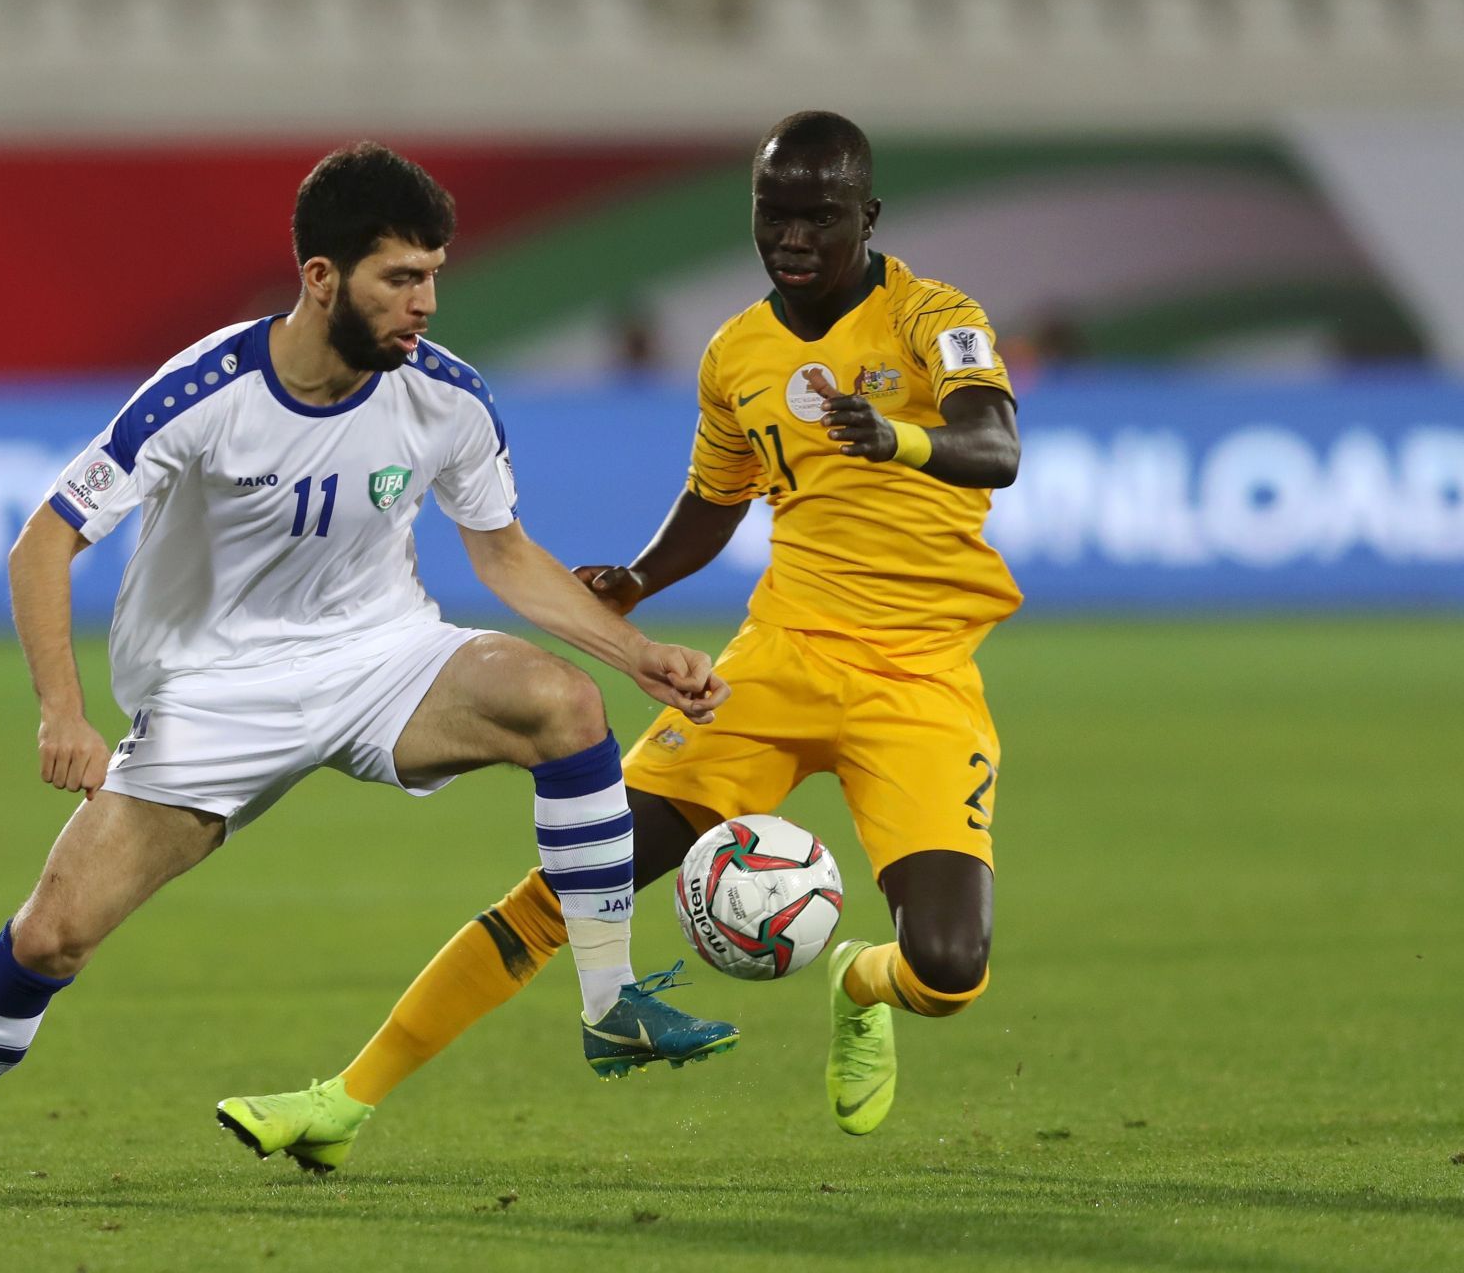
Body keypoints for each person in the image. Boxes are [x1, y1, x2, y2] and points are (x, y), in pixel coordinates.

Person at [0, 142, 739, 1199]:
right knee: (56, 932)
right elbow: (45, 540)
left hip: (379, 657)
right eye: (401, 277)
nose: (426, 301)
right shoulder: (205, 391)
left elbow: (501, 552)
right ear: (321, 278)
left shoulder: (446, 398)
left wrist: (636, 656)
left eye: (434, 273)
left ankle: (609, 999)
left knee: (562, 704)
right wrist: (61, 713)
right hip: (213, 695)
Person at [231, 110, 1020, 1161]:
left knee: (950, 968)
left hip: (919, 682)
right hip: (776, 667)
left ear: (866, 216)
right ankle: (342, 1099)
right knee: (569, 882)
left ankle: (857, 980)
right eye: (772, 214)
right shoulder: (737, 352)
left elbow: (995, 443)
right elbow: (715, 496)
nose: (791, 237)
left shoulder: (935, 318)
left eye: (818, 217)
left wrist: (899, 436)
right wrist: (640, 579)